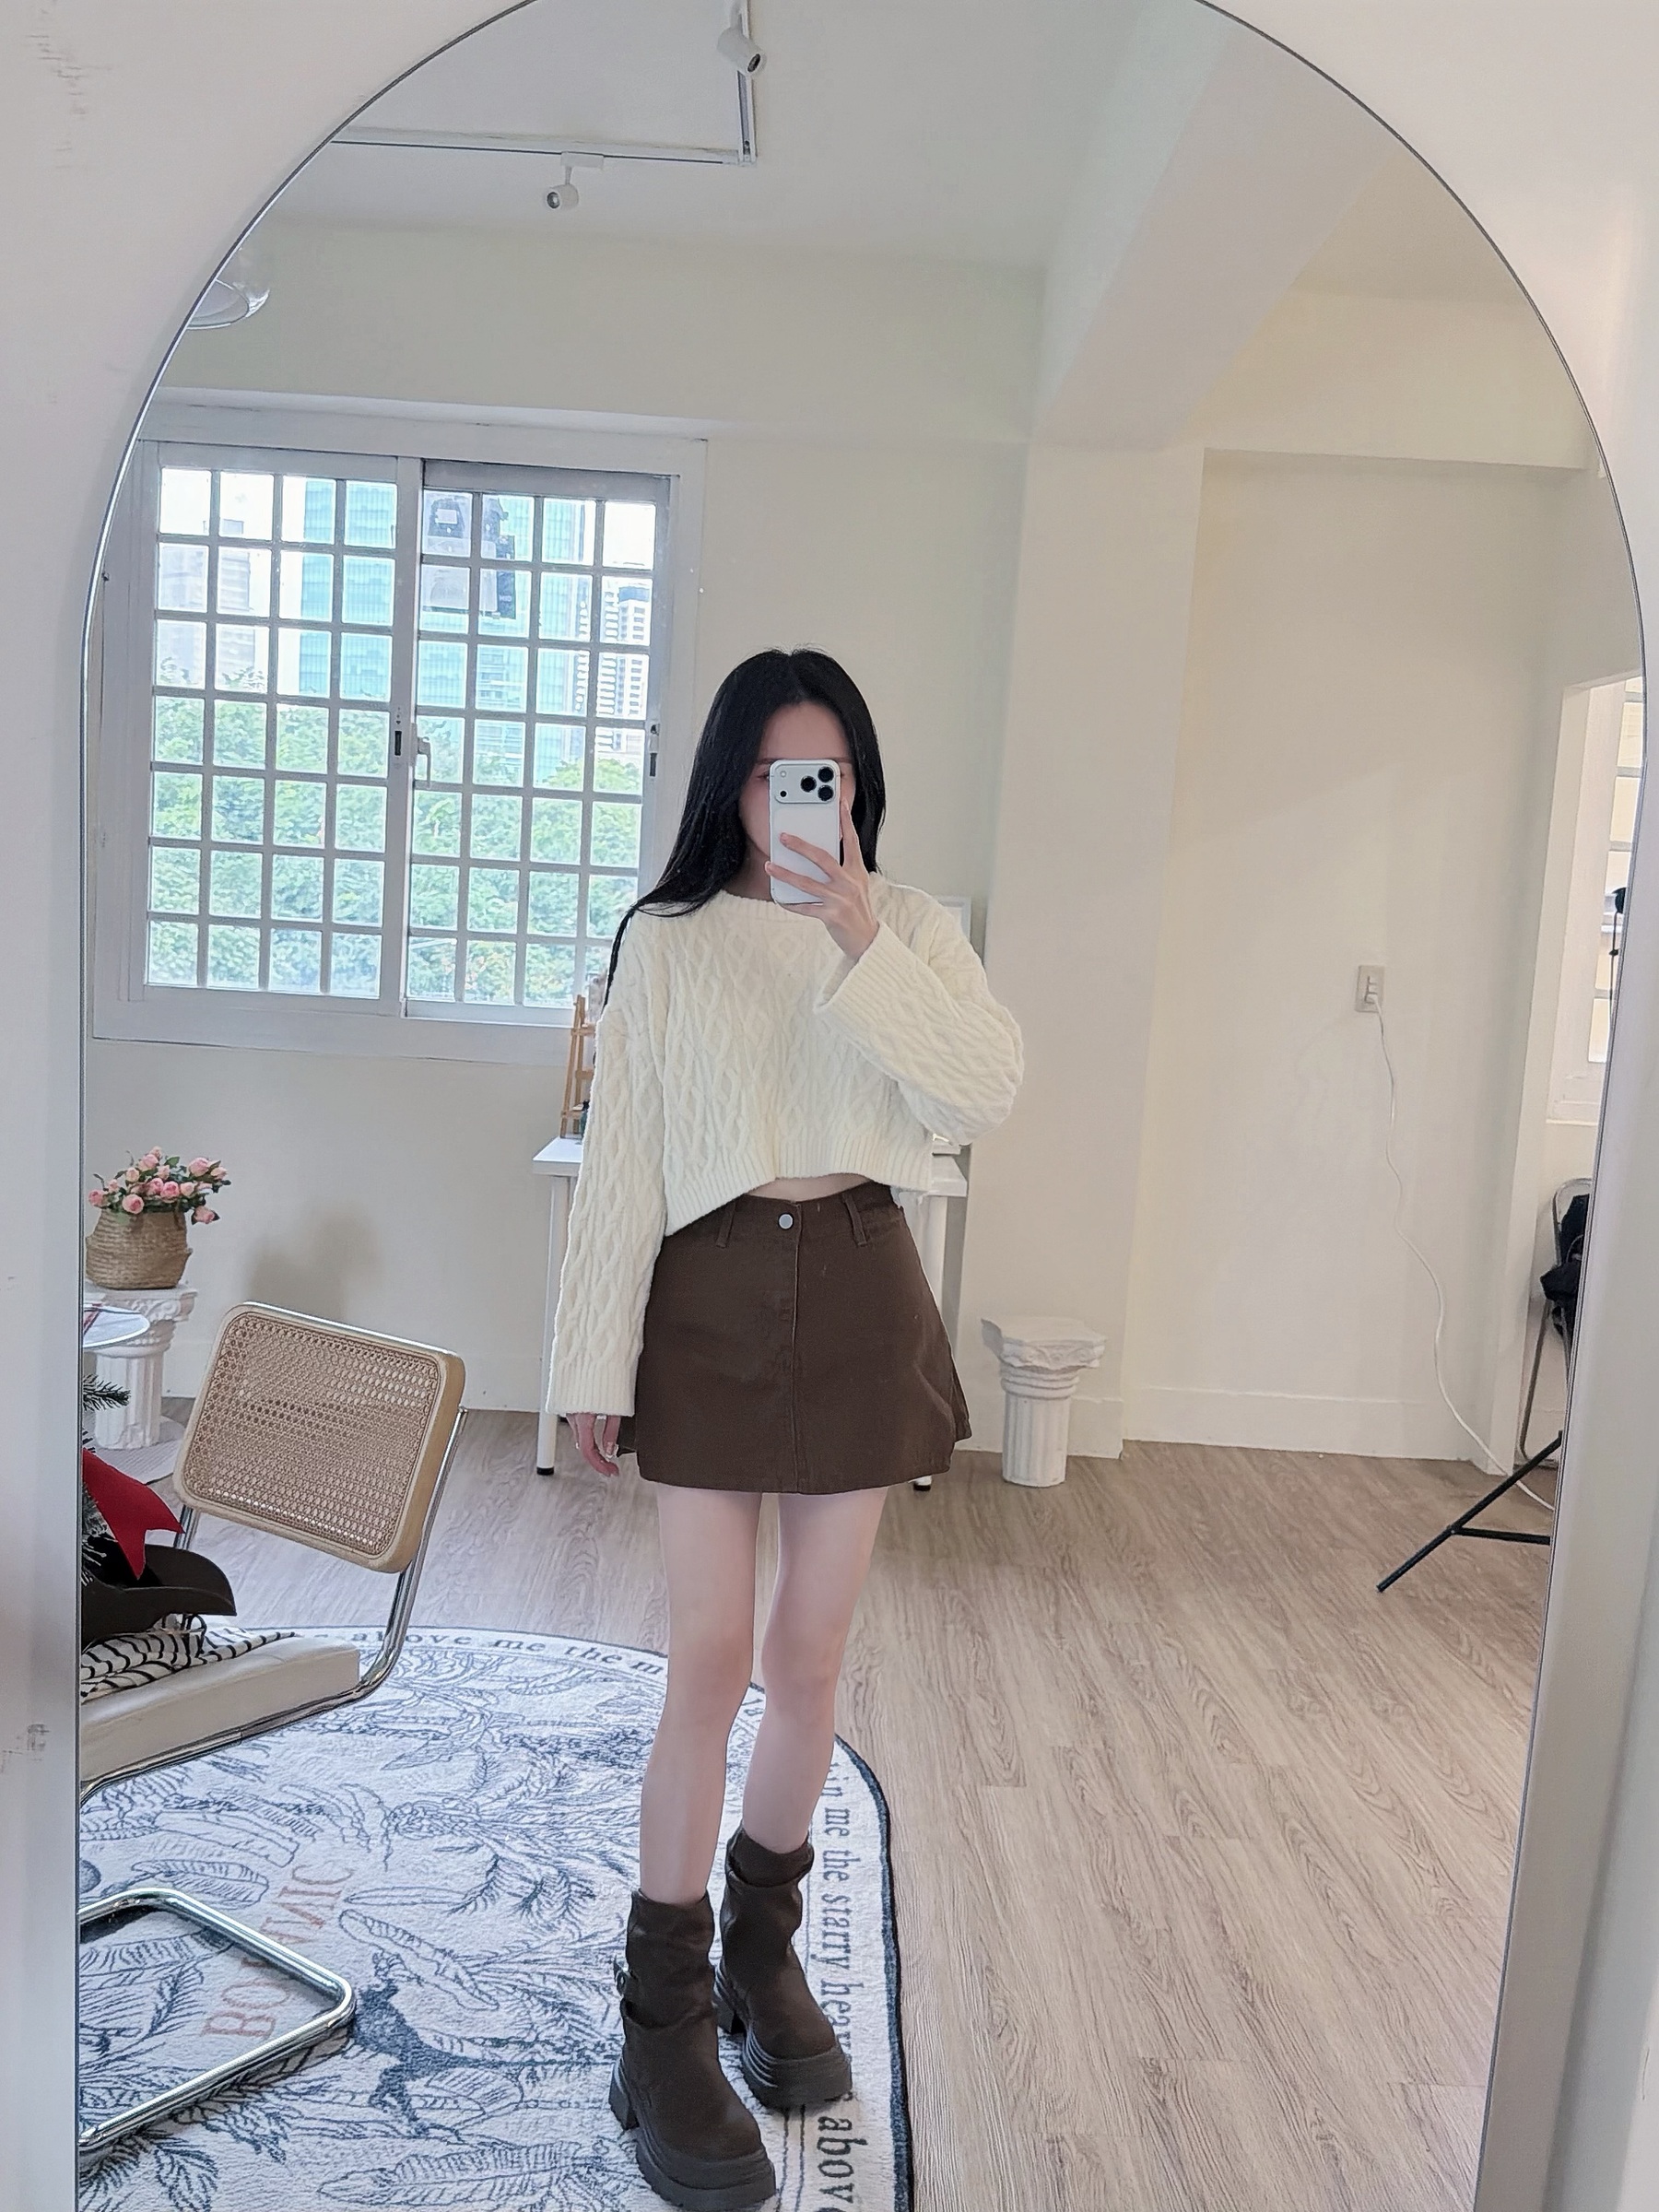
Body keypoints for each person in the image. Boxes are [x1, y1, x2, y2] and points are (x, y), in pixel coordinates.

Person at [549, 647, 1023, 2211]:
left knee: (809, 1656)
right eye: (774, 774)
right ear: (730, 785)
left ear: (857, 786)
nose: (799, 801)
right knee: (706, 1656)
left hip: (865, 1284)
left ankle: (761, 1951)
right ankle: (661, 2019)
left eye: (826, 774)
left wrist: (860, 933)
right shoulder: (669, 937)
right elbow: (624, 1157)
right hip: (706, 1292)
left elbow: (982, 1094)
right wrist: (590, 1361)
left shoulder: (916, 928)